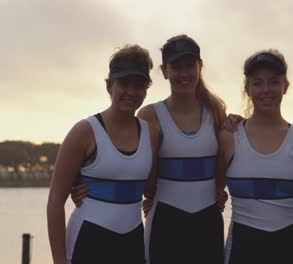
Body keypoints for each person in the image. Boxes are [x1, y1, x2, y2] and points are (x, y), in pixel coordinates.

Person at [47, 45, 159, 264]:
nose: (131, 92)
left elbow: (151, 190)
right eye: (124, 84)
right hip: (87, 242)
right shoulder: (85, 131)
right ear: (109, 86)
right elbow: (54, 201)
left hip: (133, 244)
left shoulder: (152, 133)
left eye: (139, 85)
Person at [217, 49, 293, 264]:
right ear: (247, 88)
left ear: (285, 86)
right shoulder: (228, 138)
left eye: (274, 82)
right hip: (243, 248)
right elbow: (210, 196)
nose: (266, 90)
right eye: (257, 83)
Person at [137, 34, 226, 264]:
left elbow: (225, 167)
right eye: (176, 67)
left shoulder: (216, 112)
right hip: (164, 224)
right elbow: (133, 168)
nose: (184, 73)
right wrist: (83, 184)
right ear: (165, 70)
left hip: (208, 224)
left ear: (200, 67)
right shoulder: (149, 116)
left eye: (190, 66)